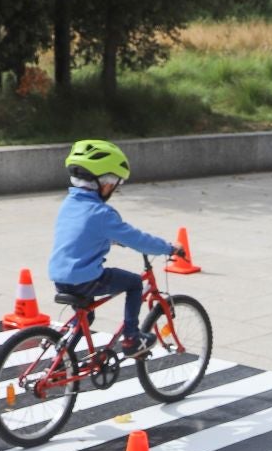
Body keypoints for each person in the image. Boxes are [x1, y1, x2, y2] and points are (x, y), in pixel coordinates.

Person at [48, 139, 186, 356]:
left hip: (60, 277)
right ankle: (131, 339)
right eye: (115, 184)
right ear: (106, 182)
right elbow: (139, 240)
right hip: (85, 279)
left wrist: (109, 239)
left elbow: (81, 234)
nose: (114, 188)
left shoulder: (69, 203)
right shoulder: (102, 213)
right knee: (133, 283)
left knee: (87, 316)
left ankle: (63, 356)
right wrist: (169, 248)